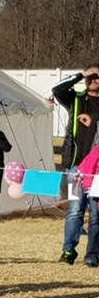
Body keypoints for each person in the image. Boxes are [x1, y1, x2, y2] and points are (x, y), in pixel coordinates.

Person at [54, 65, 99, 265]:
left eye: (97, 76)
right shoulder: (76, 99)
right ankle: (68, 251)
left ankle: (92, 255)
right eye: (91, 76)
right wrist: (81, 75)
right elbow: (57, 90)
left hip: (98, 170)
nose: (94, 79)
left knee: (96, 214)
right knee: (74, 209)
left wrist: (94, 122)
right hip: (77, 167)